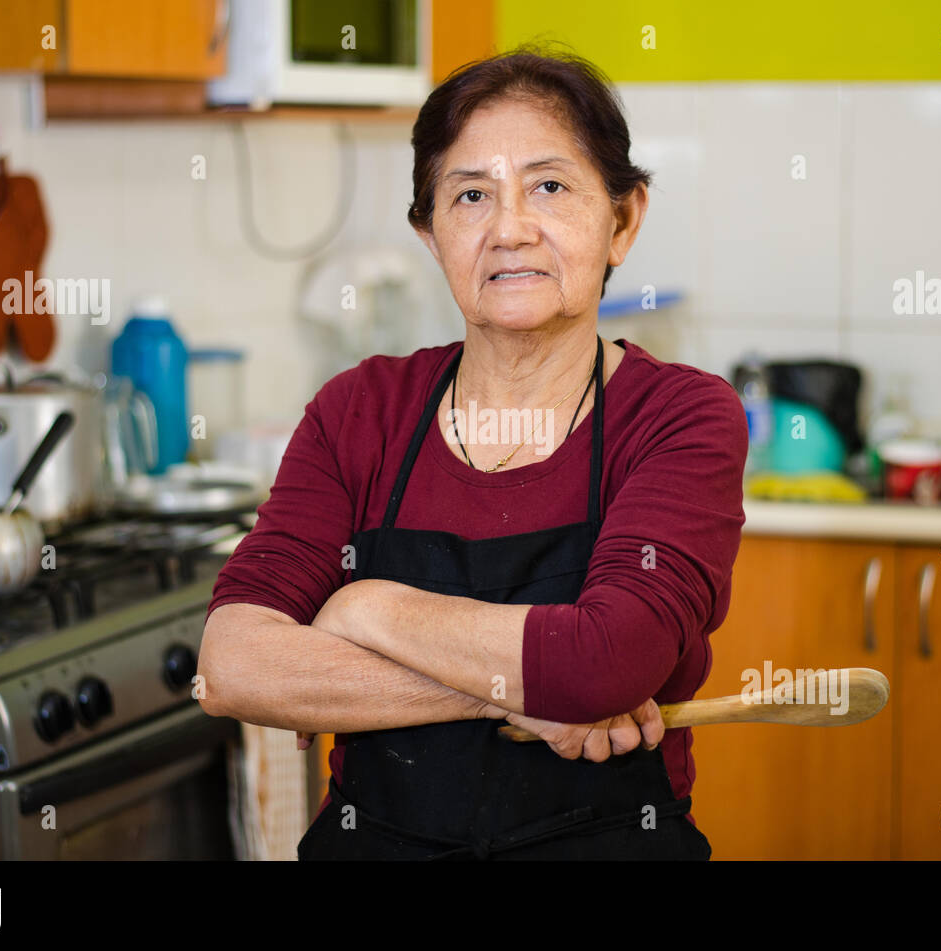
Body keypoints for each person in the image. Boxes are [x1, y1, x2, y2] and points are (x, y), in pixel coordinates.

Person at [199, 44, 748, 860]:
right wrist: (517, 692)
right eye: (470, 196)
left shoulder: (679, 416)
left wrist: (364, 611)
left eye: (550, 187)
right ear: (431, 234)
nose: (509, 229)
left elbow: (608, 661)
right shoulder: (361, 411)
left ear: (623, 220)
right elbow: (233, 664)